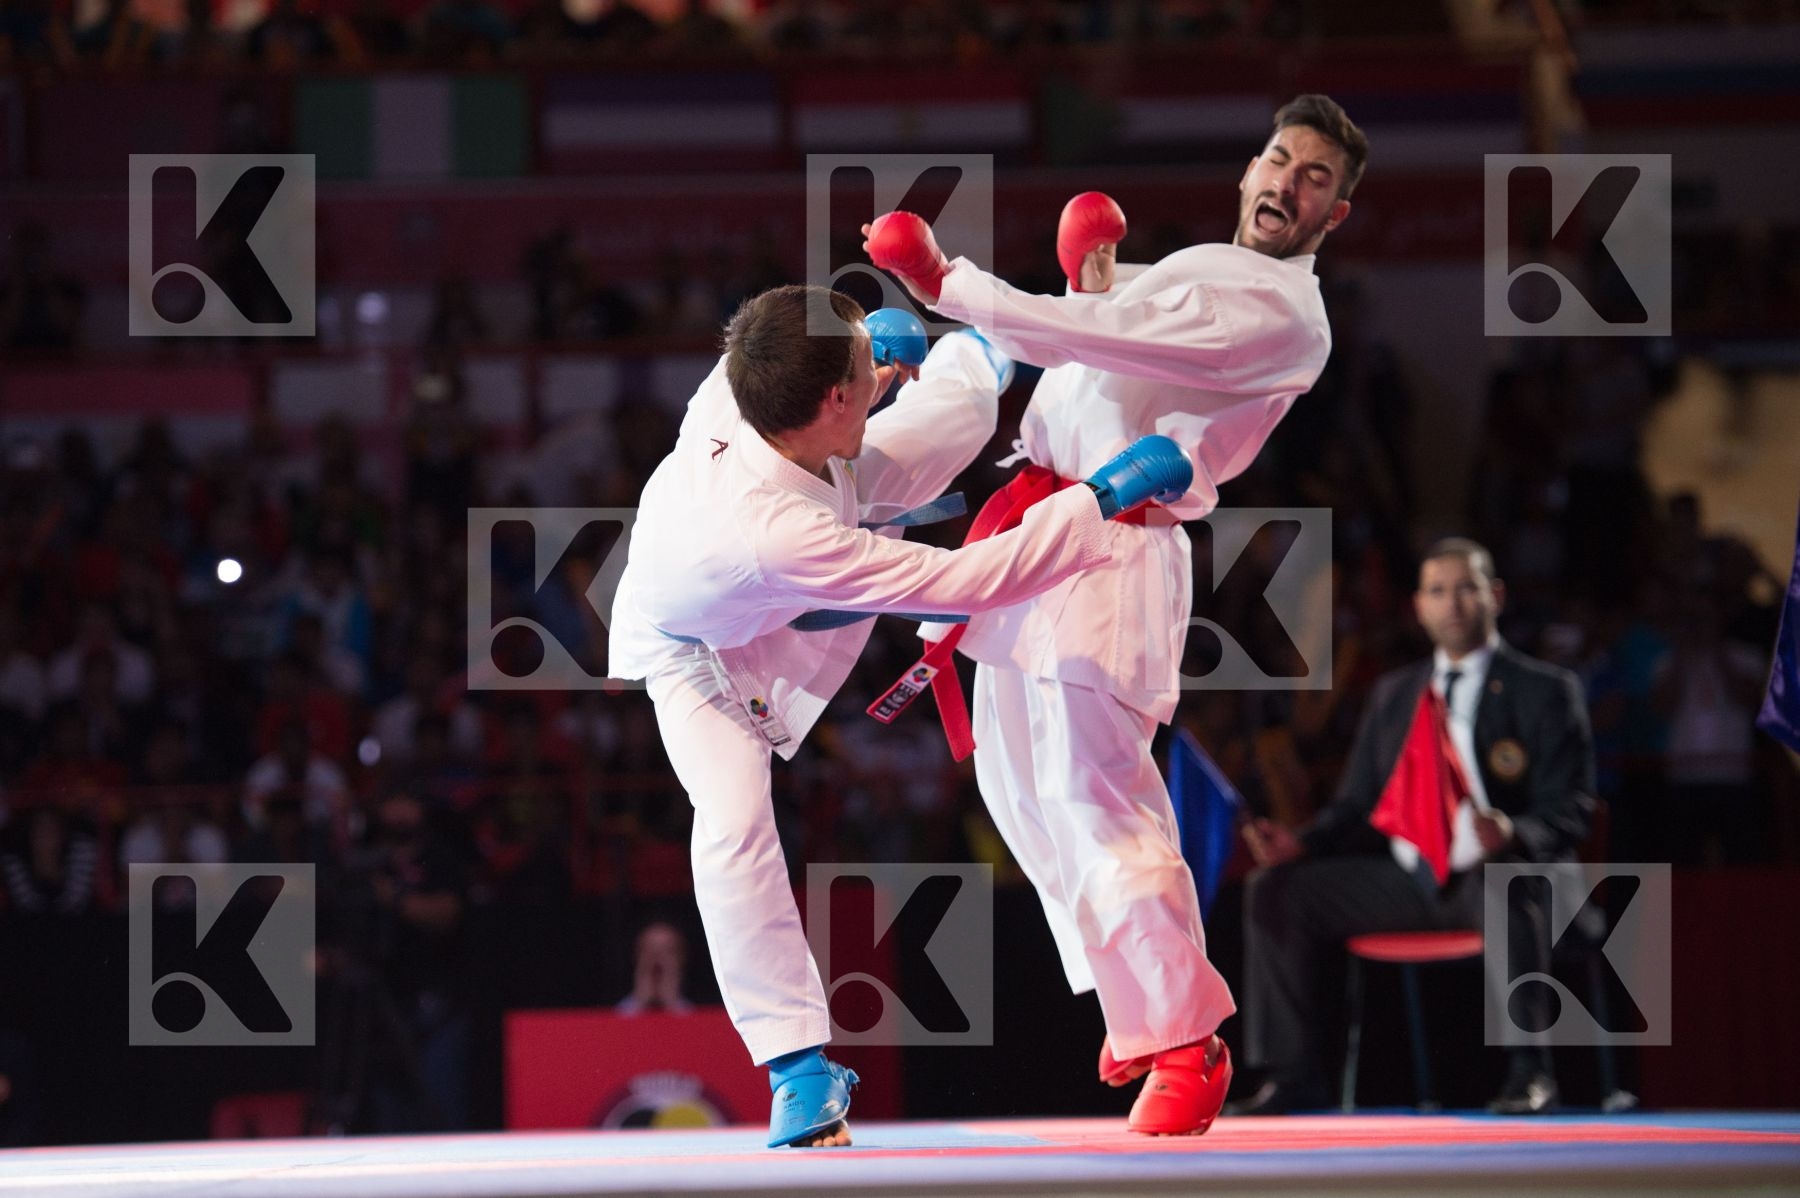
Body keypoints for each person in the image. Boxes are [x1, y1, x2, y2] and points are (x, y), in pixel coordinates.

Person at [860, 94, 1366, 1135]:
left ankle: (1188, 1037)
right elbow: (1112, 335)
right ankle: (1142, 1008)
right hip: (1038, 520)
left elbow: (1099, 334)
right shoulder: (1196, 272)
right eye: (1278, 158)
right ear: (1248, 170)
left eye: (1315, 177)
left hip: (1113, 541)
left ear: (1336, 212)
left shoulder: (1283, 312)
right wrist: (1094, 272)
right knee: (1022, 796)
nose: (1286, 183)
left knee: (1097, 800)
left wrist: (951, 284)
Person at [607, 283, 1192, 1148]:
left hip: (787, 521)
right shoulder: (778, 532)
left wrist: (871, 357)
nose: (876, 375)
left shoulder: (748, 372)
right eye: (863, 373)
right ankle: (798, 1071)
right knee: (731, 824)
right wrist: (1094, 501)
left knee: (909, 442)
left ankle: (988, 350)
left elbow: (830, 390)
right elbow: (965, 583)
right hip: (694, 650)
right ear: (835, 398)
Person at [1235, 539, 1596, 1115]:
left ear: (1495, 597)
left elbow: (1572, 807)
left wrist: (1511, 831)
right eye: (1437, 591)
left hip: (1505, 879)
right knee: (1277, 892)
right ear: (1419, 607)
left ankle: (1531, 1075)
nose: (1452, 603)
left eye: (1466, 587)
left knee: (1504, 880)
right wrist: (1299, 842)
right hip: (1408, 881)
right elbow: (1357, 805)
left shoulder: (1546, 689)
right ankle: (1294, 1078)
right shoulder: (1396, 694)